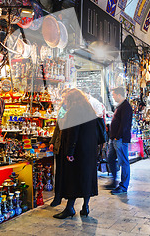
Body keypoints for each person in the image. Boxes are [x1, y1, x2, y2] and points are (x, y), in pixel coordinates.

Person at [53, 88, 98, 219]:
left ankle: (70, 208)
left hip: (78, 150)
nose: (64, 101)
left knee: (73, 178)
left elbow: (73, 132)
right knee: (86, 177)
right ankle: (85, 207)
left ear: (72, 99)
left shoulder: (74, 110)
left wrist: (70, 151)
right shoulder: (89, 109)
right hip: (89, 150)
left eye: (66, 99)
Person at [106, 87, 133, 194]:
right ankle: (114, 181)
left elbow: (125, 124)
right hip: (115, 139)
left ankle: (123, 186)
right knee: (110, 158)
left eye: (114, 95)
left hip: (120, 139)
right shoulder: (120, 106)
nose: (113, 97)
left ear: (119, 95)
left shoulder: (126, 107)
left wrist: (118, 137)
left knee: (123, 162)